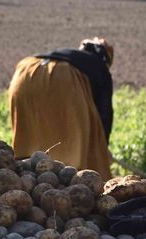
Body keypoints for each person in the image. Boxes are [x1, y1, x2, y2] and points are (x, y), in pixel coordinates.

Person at [7, 38, 115, 178]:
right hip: (63, 78)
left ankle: (24, 175)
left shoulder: (73, 58)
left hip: (25, 72)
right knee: (72, 156)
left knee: (29, 141)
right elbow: (104, 113)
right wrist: (102, 148)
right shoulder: (99, 66)